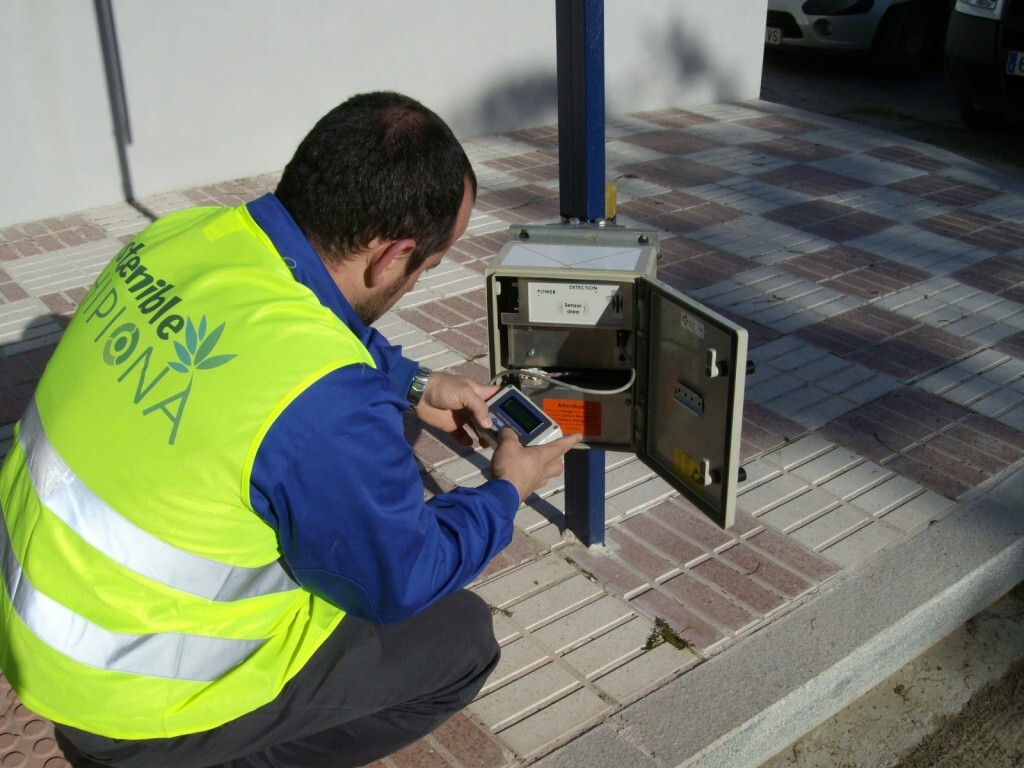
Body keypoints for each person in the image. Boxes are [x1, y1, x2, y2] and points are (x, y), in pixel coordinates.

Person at [0, 91, 581, 768]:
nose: (418, 280)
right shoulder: (327, 407)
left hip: (31, 619)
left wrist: (414, 384)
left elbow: (290, 323)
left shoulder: (183, 235)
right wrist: (507, 490)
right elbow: (401, 577)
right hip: (127, 697)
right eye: (428, 265)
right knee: (461, 641)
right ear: (392, 257)